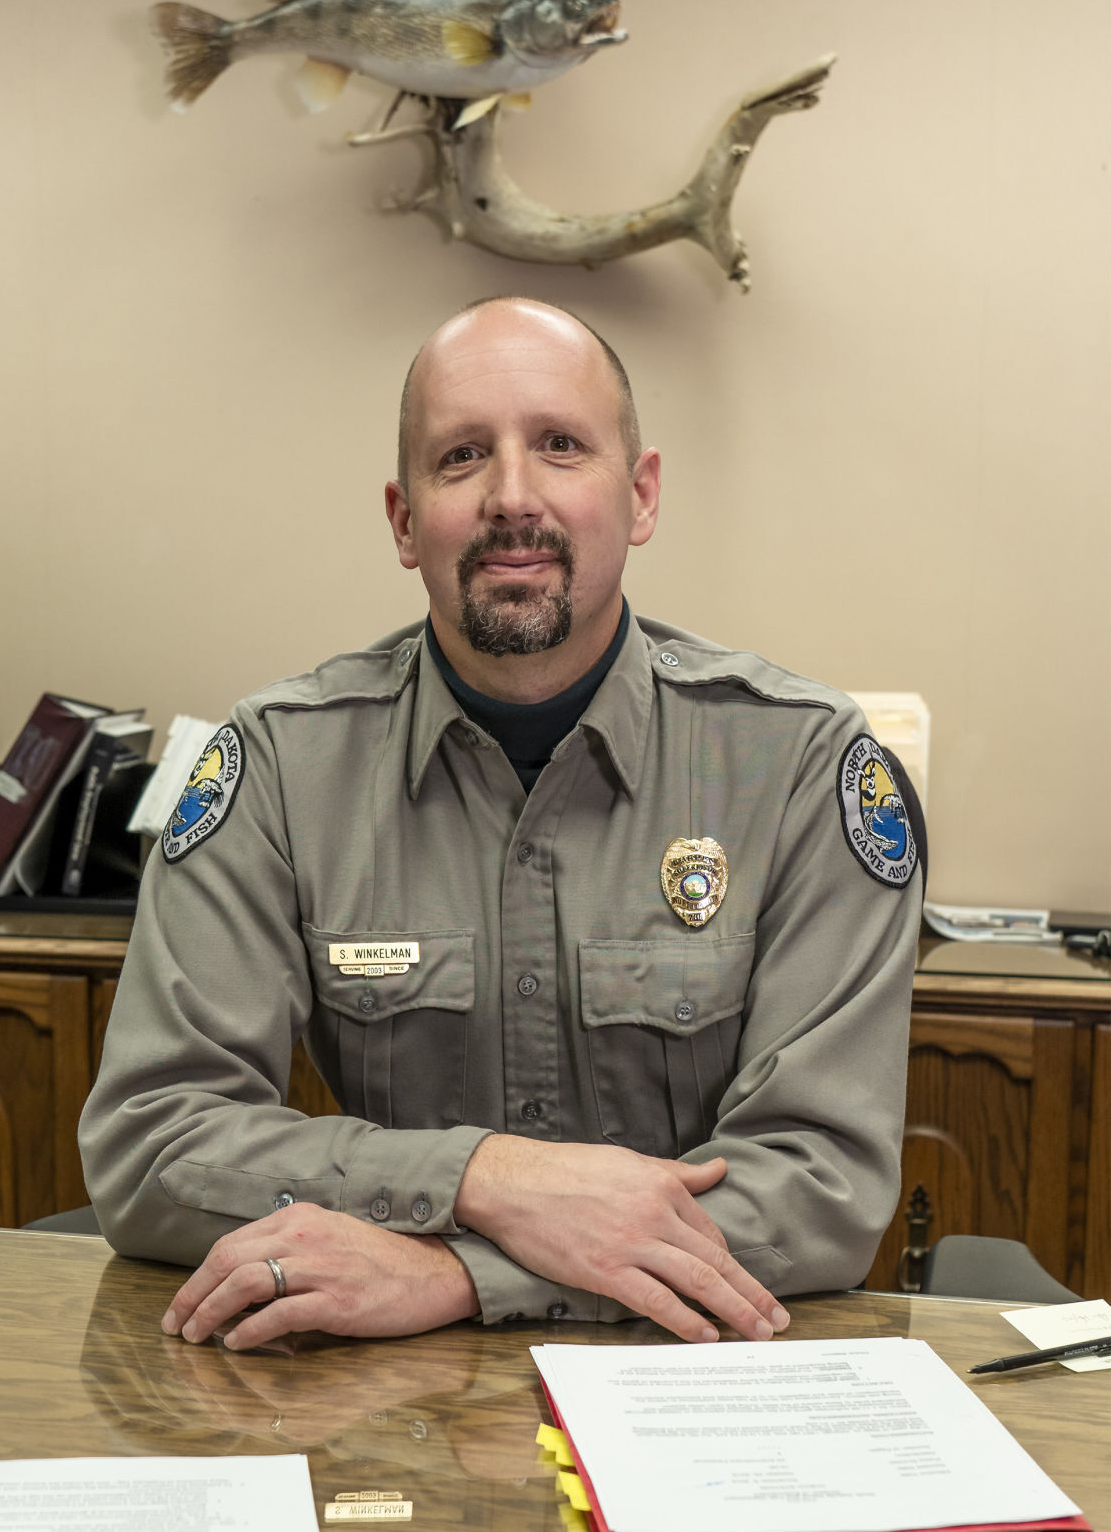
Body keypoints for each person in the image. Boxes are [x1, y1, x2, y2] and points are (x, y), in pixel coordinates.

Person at [78, 297, 922, 1353]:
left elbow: (821, 1185)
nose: (511, 497)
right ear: (401, 517)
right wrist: (487, 1176)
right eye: (462, 456)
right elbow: (149, 1145)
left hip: (690, 1393)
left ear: (640, 493)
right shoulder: (283, 767)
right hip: (381, 1416)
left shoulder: (795, 766)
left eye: (560, 446)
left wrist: (454, 1270)